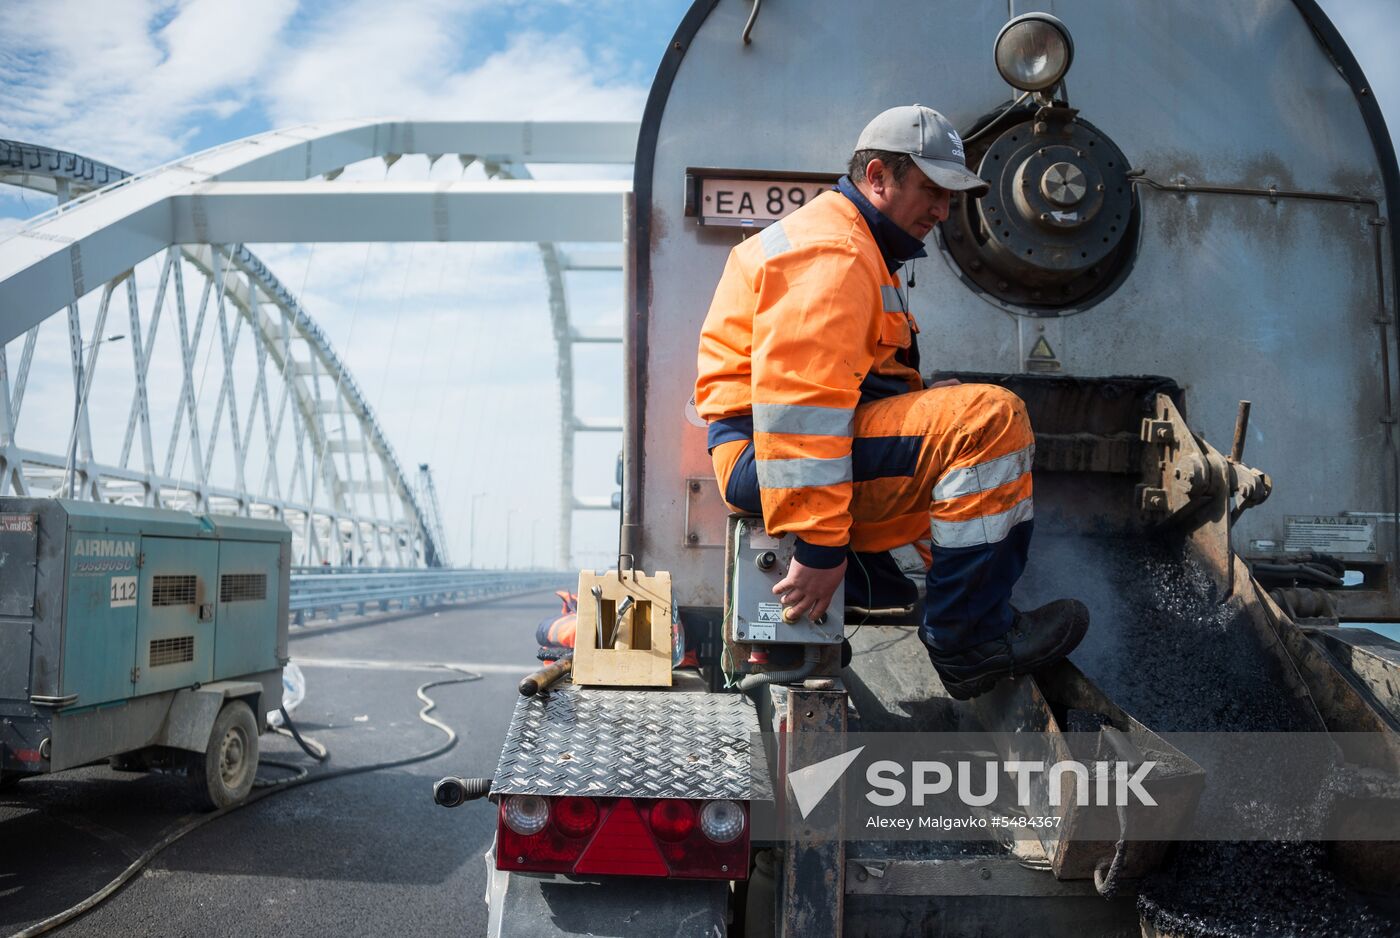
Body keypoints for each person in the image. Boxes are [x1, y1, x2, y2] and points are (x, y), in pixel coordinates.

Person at [694, 104, 1088, 700]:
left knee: (957, 415)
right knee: (989, 419)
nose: (941, 210)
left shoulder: (853, 244)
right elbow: (803, 408)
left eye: (949, 197)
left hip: (773, 451)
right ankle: (968, 639)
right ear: (877, 176)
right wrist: (822, 549)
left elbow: (852, 389)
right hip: (767, 460)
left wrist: (928, 403)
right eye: (931, 190)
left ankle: (915, 590)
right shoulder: (834, 252)